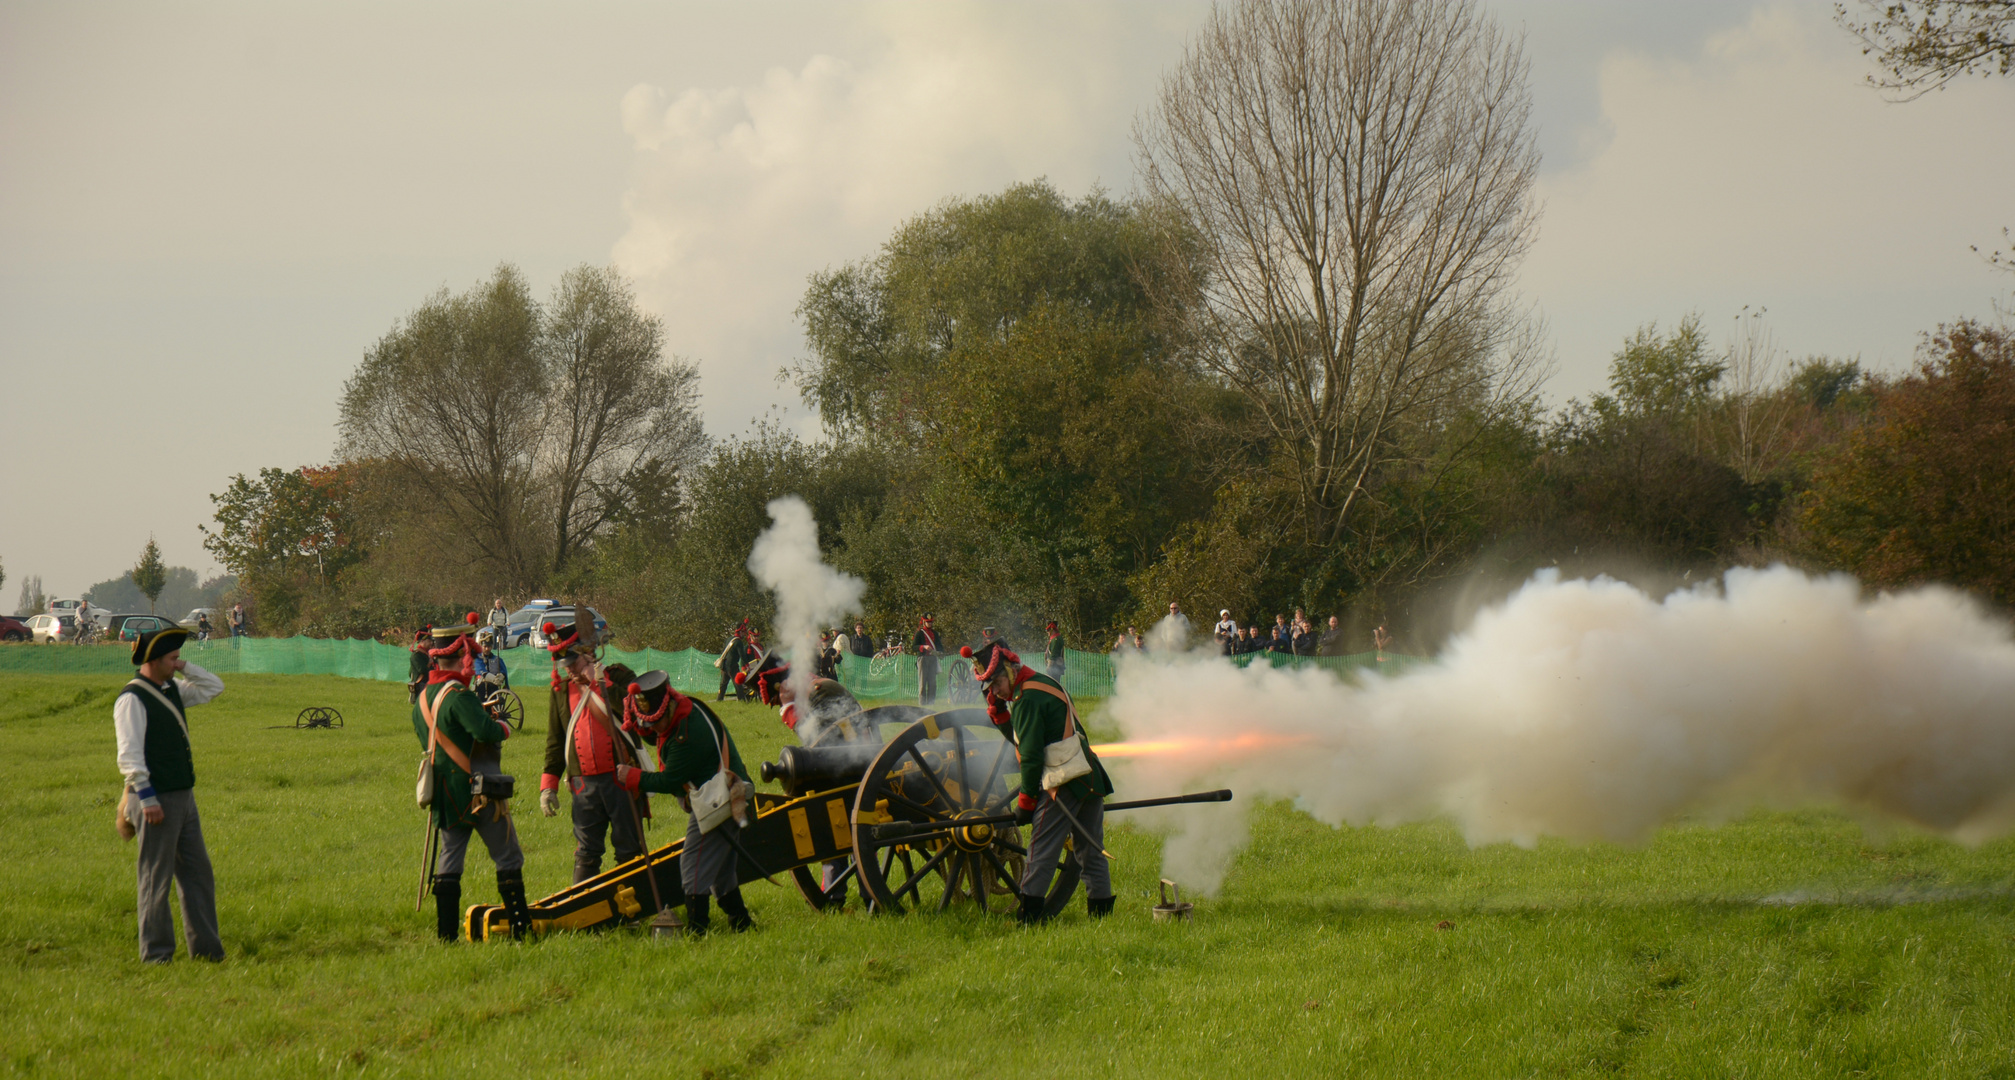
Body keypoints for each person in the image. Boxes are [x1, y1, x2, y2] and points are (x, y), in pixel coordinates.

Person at [963, 639, 1113, 924]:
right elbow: (1024, 740)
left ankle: (1029, 919)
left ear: (1008, 670)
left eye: (995, 685)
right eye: (989, 689)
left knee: (1041, 852)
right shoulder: (1038, 683)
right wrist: (1000, 714)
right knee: (1091, 851)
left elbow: (1030, 756)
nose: (994, 692)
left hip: (1062, 783)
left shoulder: (1026, 699)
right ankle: (1101, 917)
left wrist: (1026, 802)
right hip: (1089, 776)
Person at [615, 668, 755, 935]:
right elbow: (658, 736)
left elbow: (668, 780)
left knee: (692, 864)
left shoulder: (687, 734)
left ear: (665, 710)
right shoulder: (681, 710)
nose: (651, 728)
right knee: (721, 871)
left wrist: (632, 776)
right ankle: (742, 924)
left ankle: (697, 931)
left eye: (653, 721)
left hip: (723, 800)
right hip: (720, 796)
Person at [115, 624, 225, 963]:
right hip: (154, 798)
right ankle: (156, 954)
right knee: (155, 879)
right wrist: (147, 799)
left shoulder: (171, 688)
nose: (179, 662)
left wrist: (184, 667)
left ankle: (207, 953)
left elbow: (214, 688)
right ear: (154, 659)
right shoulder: (132, 698)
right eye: (173, 657)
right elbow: (129, 755)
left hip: (183, 797)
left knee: (198, 875)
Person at [416, 613, 529, 942]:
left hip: (445, 792)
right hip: (479, 789)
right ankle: (521, 931)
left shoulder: (422, 699)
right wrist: (502, 727)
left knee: (450, 858)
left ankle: (446, 935)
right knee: (509, 856)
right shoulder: (459, 696)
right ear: (463, 655)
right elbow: (484, 730)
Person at [740, 651, 876, 906]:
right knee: (831, 832)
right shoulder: (812, 689)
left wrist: (790, 711)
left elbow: (821, 741)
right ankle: (836, 894)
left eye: (776, 697)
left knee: (851, 833)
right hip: (839, 770)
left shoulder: (819, 691)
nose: (776, 703)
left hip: (853, 769)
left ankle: (867, 894)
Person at [539, 614, 649, 885]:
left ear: (588, 654)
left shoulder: (620, 677)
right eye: (564, 665)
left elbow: (637, 713)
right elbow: (555, 740)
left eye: (573, 662)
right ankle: (585, 914)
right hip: (583, 785)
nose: (570, 671)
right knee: (587, 853)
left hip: (621, 780)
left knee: (629, 850)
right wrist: (548, 786)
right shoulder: (560, 691)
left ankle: (633, 912)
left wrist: (602, 684)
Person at [714, 623, 751, 702]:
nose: (744, 634)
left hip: (724, 665)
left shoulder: (728, 639)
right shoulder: (738, 642)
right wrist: (747, 665)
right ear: (740, 632)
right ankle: (742, 700)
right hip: (732, 666)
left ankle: (719, 699)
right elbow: (742, 655)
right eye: (743, 632)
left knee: (723, 684)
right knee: (738, 683)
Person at [913, 614, 943, 707]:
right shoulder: (919, 633)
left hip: (932, 659)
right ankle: (922, 704)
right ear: (924, 622)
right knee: (922, 683)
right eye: (928, 622)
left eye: (931, 622)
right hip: (923, 659)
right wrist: (923, 647)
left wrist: (941, 652)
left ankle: (931, 703)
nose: (930, 624)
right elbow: (914, 647)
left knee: (932, 683)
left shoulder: (935, 633)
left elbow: (939, 645)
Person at [407, 629, 431, 703]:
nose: (431, 642)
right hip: (421, 685)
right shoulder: (416, 655)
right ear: (422, 641)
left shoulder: (427, 654)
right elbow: (422, 670)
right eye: (429, 640)